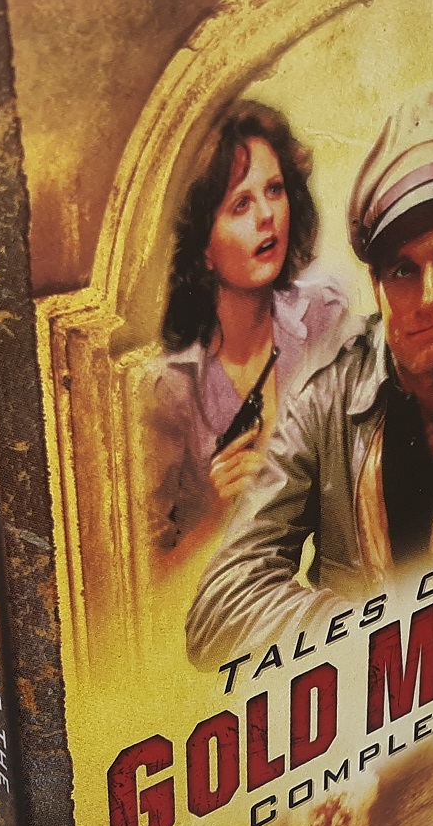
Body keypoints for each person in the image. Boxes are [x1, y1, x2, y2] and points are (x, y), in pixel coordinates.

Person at [185, 90, 433, 667]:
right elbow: (217, 609)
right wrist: (370, 635)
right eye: (403, 270)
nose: (428, 298)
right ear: (374, 281)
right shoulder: (326, 398)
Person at [143, 102, 350, 564]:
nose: (267, 215)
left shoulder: (326, 317)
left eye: (274, 190)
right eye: (241, 204)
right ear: (203, 246)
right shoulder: (170, 391)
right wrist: (216, 513)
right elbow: (144, 583)